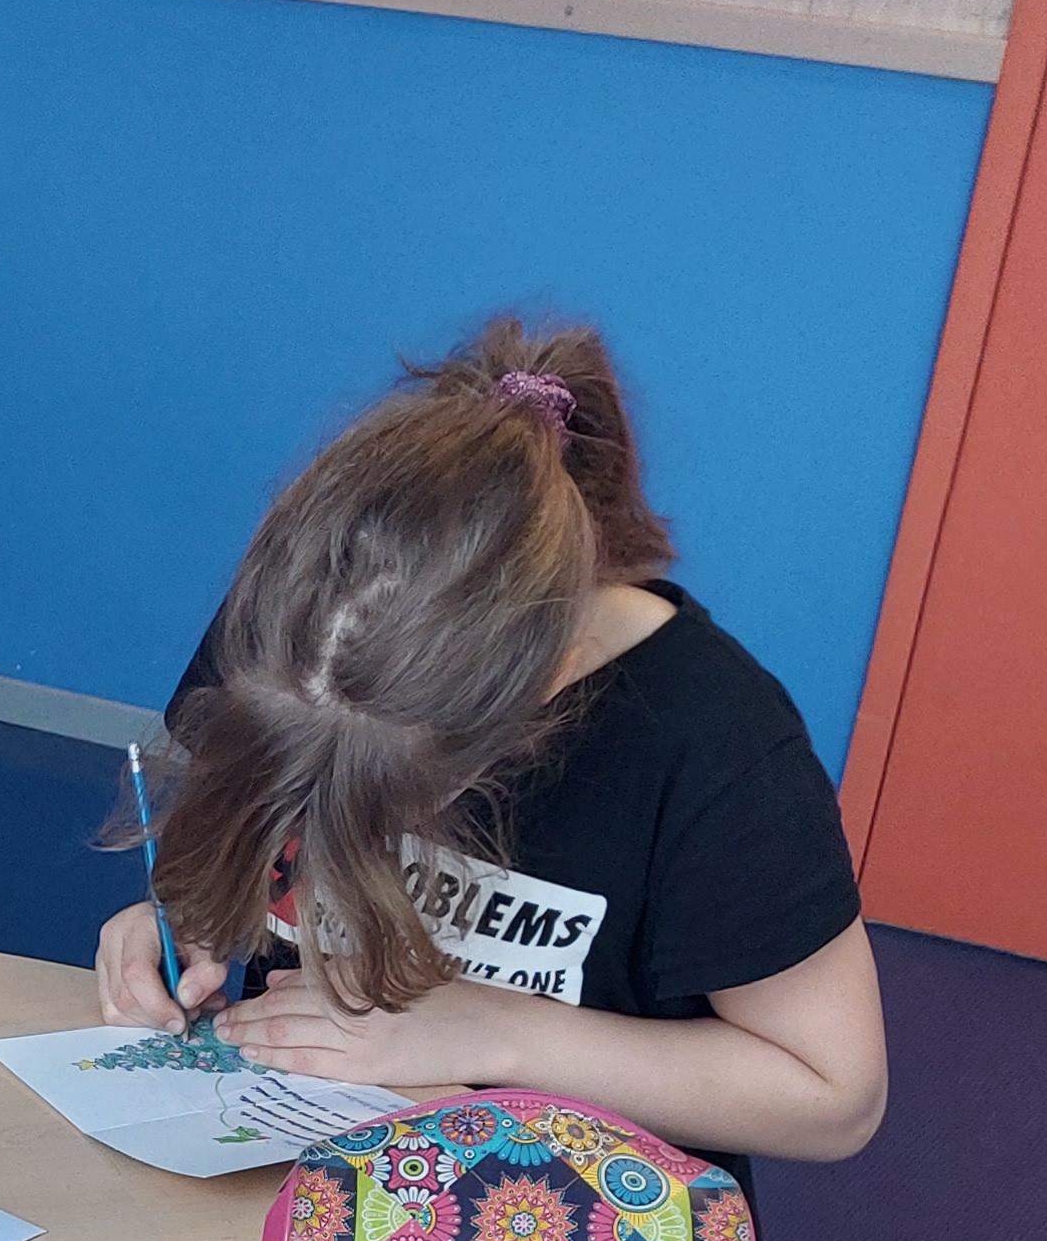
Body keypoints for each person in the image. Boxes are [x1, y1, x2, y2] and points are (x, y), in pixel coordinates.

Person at [96, 321, 887, 1169]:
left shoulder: (717, 747)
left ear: (546, 688)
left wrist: (495, 1032)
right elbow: (232, 850)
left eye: (386, 792)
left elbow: (834, 1100)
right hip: (283, 1154)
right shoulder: (304, 626)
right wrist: (181, 923)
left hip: (559, 1214)